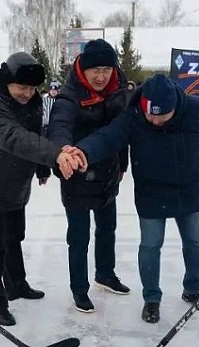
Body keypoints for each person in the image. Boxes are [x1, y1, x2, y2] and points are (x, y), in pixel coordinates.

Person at [63, 74, 199, 323]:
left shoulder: (197, 109)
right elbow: (108, 137)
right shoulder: (134, 116)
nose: (155, 120)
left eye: (162, 116)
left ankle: (194, 289)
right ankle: (151, 298)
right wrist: (83, 150)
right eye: (151, 115)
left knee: (194, 242)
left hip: (189, 190)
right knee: (150, 246)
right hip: (151, 192)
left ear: (175, 106)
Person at [0, 52, 85, 327]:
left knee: (14, 237)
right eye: (22, 87)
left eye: (32, 88)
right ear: (8, 82)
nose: (27, 93)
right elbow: (14, 137)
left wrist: (42, 167)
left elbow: (36, 134)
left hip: (16, 182)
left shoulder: (33, 102)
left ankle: (16, 284)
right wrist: (54, 155)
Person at [47, 38, 131, 312]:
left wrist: (122, 164)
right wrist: (64, 152)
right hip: (77, 174)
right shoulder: (70, 95)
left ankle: (105, 274)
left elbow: (121, 131)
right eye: (95, 70)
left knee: (108, 229)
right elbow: (59, 125)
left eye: (106, 69)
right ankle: (79, 288)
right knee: (79, 237)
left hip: (107, 172)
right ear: (83, 68)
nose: (101, 76)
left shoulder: (118, 89)